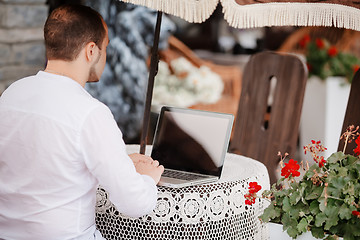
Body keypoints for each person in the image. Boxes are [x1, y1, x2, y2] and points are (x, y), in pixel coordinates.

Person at [0, 4, 164, 240]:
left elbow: (44, 162)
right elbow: (135, 204)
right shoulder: (91, 112)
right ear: (91, 51)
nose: (104, 56)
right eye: (104, 48)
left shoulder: (12, 94)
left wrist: (118, 163)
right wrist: (148, 177)